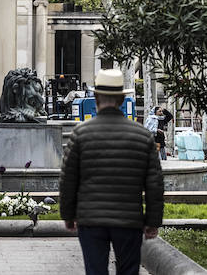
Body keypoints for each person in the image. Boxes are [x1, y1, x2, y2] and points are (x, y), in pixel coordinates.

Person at [60, 68, 165, 275]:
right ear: (122, 100)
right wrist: (153, 220)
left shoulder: (80, 134)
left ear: (96, 98)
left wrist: (68, 214)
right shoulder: (142, 136)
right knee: (128, 270)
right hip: (129, 220)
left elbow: (68, 179)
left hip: (91, 219)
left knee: (95, 271)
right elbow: (154, 183)